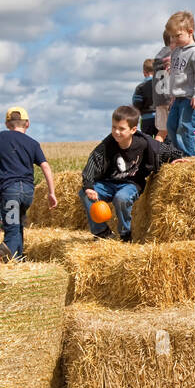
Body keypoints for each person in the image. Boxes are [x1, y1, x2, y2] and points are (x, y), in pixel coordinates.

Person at [79, 105, 184, 241]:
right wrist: (88, 186)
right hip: (108, 184)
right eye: (113, 127)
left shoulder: (144, 143)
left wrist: (176, 158)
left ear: (133, 130)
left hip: (131, 184)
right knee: (84, 194)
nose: (116, 132)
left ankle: (125, 234)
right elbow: (92, 164)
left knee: (121, 198)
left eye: (121, 129)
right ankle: (102, 232)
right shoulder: (107, 145)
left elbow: (165, 150)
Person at [0, 106, 57, 259]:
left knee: (11, 230)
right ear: (27, 124)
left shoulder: (2, 137)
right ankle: (18, 260)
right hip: (27, 193)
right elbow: (45, 165)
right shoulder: (33, 143)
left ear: (7, 124)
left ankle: (10, 264)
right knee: (18, 227)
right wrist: (51, 192)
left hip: (10, 192)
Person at [165, 11, 195, 158]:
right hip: (177, 97)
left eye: (178, 36)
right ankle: (179, 156)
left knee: (185, 128)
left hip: (190, 98)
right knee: (171, 127)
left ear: (190, 32)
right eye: (172, 36)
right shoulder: (177, 52)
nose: (175, 39)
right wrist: (172, 95)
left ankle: (189, 157)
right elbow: (177, 76)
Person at [152, 31, 173, 143]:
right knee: (176, 128)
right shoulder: (173, 54)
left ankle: (156, 153)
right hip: (170, 97)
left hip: (159, 99)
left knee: (162, 131)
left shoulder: (158, 56)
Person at [132, 57, 157, 137]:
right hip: (160, 118)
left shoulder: (140, 87)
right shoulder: (161, 85)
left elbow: (136, 104)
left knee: (147, 141)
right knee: (162, 141)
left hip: (146, 119)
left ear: (144, 72)